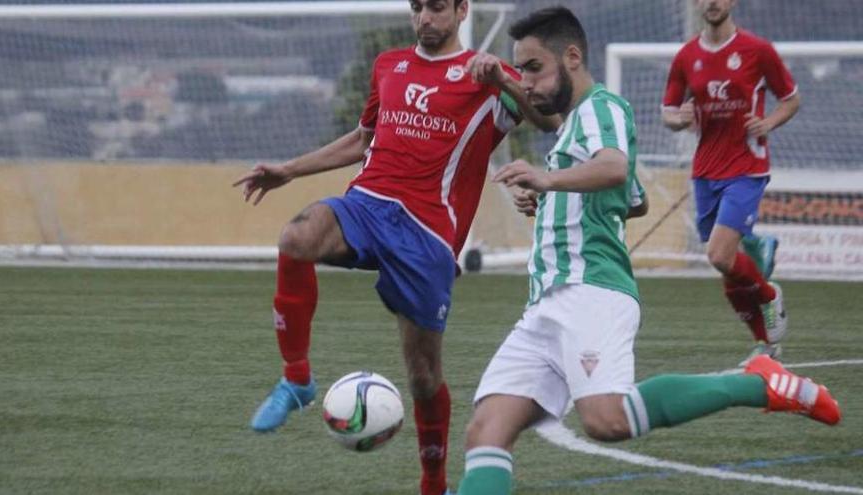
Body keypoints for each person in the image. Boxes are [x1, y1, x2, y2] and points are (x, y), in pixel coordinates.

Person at [455, 7, 840, 495]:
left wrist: (547, 178)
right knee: (487, 428)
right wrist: (550, 197)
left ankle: (757, 383)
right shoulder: (575, 124)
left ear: (572, 57)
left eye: (533, 67)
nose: (526, 81)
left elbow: (614, 168)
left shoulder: (603, 108)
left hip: (589, 290)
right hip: (546, 302)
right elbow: (631, 200)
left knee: (606, 419)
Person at [232, 1, 560, 494]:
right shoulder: (389, 65)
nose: (425, 17)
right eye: (417, 7)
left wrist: (503, 82)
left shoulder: (487, 74)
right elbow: (364, 139)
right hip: (367, 204)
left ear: (461, 9)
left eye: (436, 7)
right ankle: (297, 380)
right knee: (296, 237)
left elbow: (549, 120)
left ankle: (433, 485)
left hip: (426, 234)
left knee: (424, 376)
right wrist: (290, 169)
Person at [662, 0, 800, 365]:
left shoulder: (757, 50)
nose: (711, 2)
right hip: (705, 170)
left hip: (746, 167)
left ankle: (770, 296)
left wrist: (768, 123)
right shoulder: (686, 56)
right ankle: (765, 344)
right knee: (725, 263)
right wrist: (680, 118)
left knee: (719, 255)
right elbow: (668, 111)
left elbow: (791, 99)